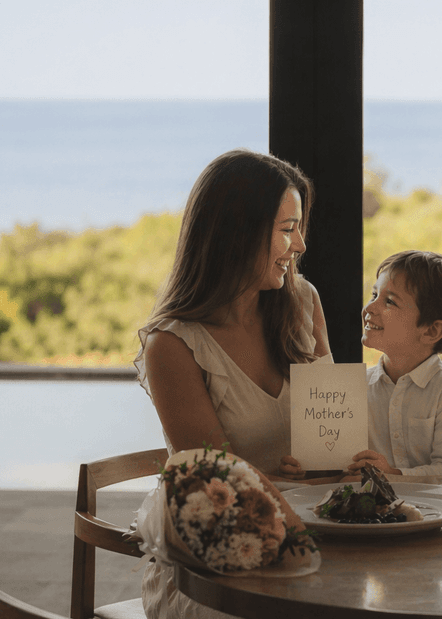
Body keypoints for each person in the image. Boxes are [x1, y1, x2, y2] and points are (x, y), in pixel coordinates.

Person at [134, 148, 331, 619]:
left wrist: (341, 464)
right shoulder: (172, 345)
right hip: (216, 569)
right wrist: (299, 485)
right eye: (287, 229)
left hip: (311, 542)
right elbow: (224, 490)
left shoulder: (303, 302)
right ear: (236, 234)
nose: (300, 244)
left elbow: (331, 436)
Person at [344, 250, 442, 479]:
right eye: (374, 294)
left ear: (431, 330)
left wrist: (393, 474)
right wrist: (306, 469)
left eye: (389, 301)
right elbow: (342, 462)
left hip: (434, 512)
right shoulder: (355, 387)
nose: (369, 308)